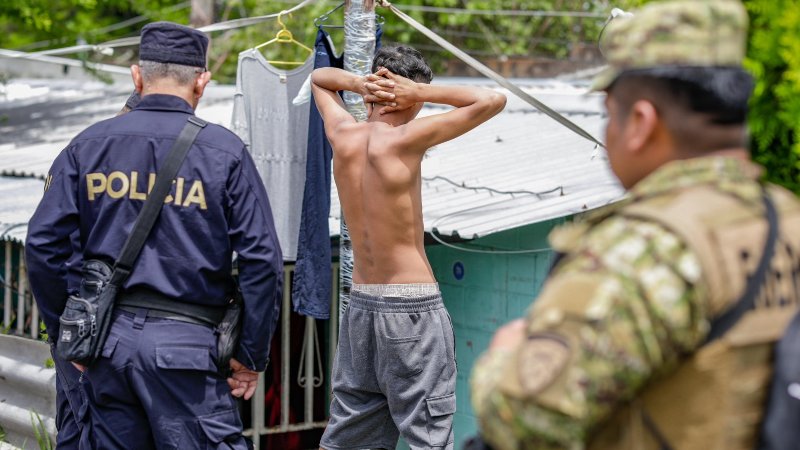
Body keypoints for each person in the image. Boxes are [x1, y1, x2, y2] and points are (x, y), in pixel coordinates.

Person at [469, 1, 800, 449]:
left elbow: (525, 423)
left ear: (640, 123)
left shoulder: (642, 251)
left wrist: (505, 353)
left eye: (610, 114)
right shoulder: (786, 217)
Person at [25, 21, 283, 449]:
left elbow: (42, 246)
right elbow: (262, 261)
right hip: (187, 352)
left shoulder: (88, 145)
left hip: (106, 348)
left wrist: (71, 335)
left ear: (137, 76)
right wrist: (250, 356)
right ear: (202, 81)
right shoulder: (225, 153)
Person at [310, 46, 506, 450]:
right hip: (411, 308)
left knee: (351, 434)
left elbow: (319, 79)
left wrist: (362, 84)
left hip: (361, 305)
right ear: (406, 95)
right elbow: (492, 99)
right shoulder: (405, 138)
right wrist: (418, 93)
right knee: (426, 436)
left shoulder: (343, 135)